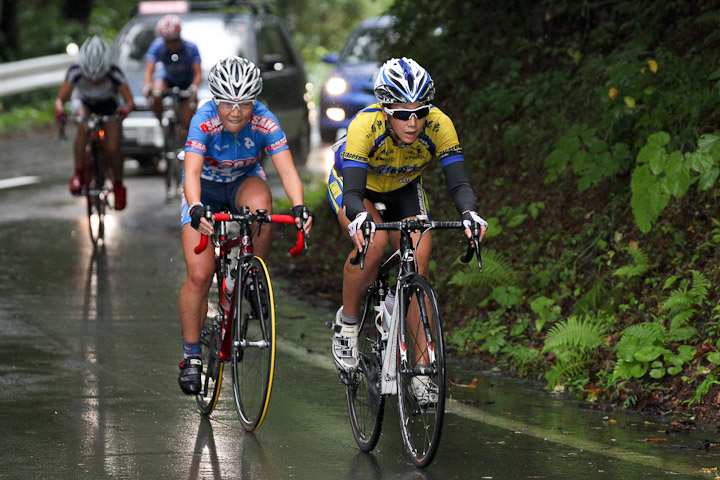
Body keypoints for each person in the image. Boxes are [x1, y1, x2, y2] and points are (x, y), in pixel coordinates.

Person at [327, 57, 488, 401]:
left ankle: (421, 370)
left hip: (403, 186)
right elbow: (353, 194)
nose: (413, 122)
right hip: (358, 187)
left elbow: (458, 183)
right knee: (373, 245)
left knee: (421, 259)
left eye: (421, 111)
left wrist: (470, 213)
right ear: (386, 110)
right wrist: (360, 217)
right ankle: (348, 323)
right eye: (402, 113)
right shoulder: (364, 126)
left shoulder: (440, 125)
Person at [177, 56, 313, 395]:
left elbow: (287, 171)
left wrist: (299, 208)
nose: (235, 112)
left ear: (256, 102)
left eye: (244, 104)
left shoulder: (265, 121)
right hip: (204, 190)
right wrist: (195, 208)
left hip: (243, 181)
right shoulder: (203, 120)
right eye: (227, 104)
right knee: (199, 273)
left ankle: (252, 273)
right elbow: (191, 173)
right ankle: (191, 355)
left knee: (263, 212)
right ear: (215, 101)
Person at [55, 35, 135, 210]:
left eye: (99, 78)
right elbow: (60, 98)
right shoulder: (75, 72)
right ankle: (79, 174)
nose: (94, 82)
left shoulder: (115, 73)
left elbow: (129, 101)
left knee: (113, 148)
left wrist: (124, 111)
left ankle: (118, 184)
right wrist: (60, 111)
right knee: (83, 128)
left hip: (109, 106)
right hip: (83, 103)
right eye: (90, 78)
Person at [143, 14, 202, 134]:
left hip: (186, 82)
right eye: (167, 41)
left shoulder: (191, 48)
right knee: (156, 92)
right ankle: (161, 122)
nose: (171, 45)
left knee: (187, 120)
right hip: (168, 78)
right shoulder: (157, 46)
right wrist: (148, 85)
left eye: (174, 40)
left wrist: (194, 87)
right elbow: (150, 69)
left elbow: (198, 73)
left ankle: (186, 140)